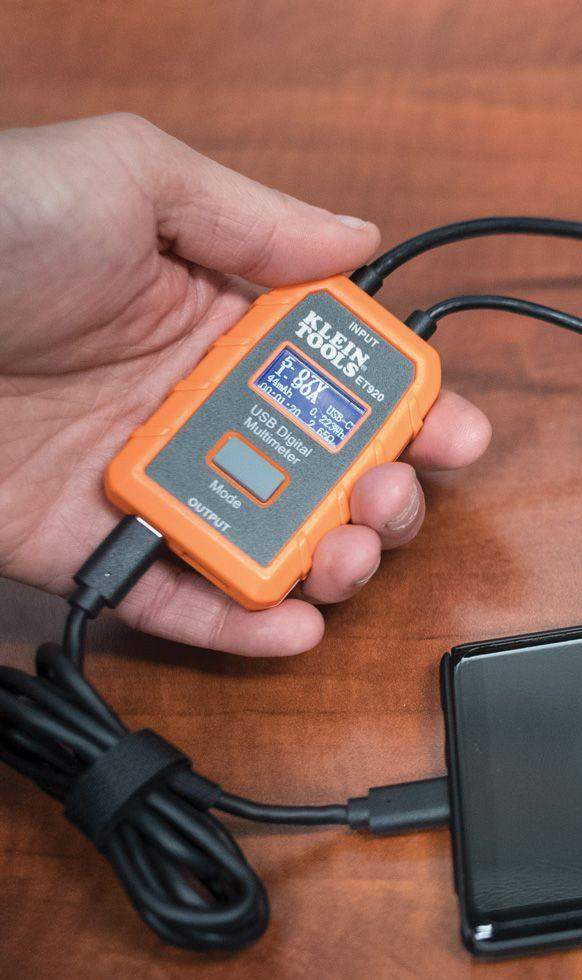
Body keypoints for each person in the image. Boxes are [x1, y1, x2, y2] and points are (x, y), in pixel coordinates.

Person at [0, 114, 492, 656]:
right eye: (290, 379)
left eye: (328, 409)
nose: (300, 397)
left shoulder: (400, 362)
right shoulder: (327, 307)